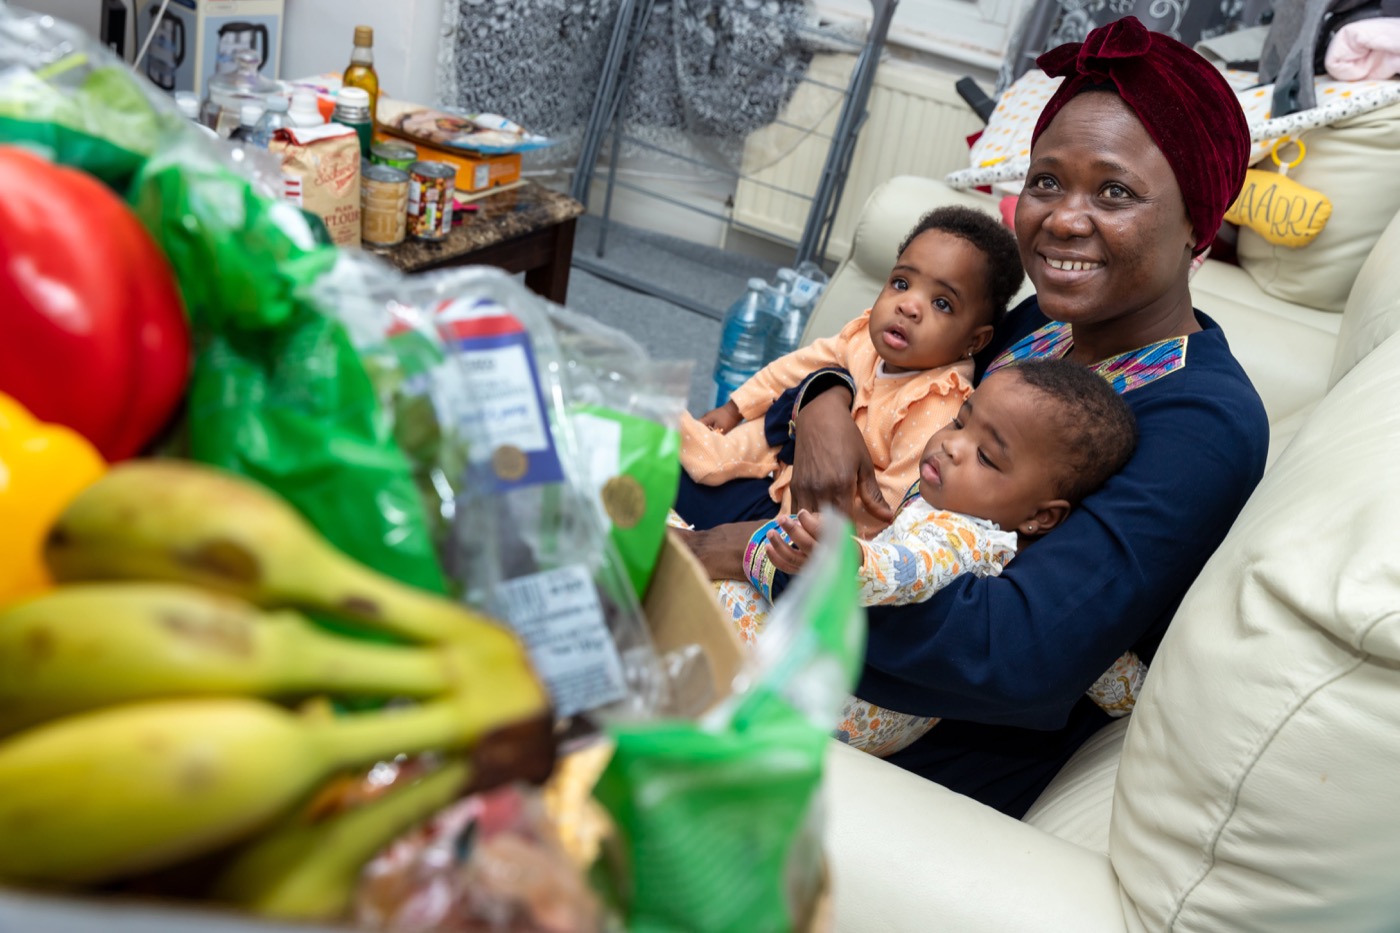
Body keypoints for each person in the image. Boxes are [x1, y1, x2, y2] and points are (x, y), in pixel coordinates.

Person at [682, 15, 1268, 817]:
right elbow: (871, 373)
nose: (1062, 218)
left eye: (1116, 191)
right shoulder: (1044, 325)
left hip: (923, 730)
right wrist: (826, 403)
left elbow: (1014, 655)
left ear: (1199, 224)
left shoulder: (1203, 424)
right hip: (847, 572)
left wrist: (757, 557)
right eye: (1046, 181)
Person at [726, 359, 1144, 757]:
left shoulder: (961, 534)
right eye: (960, 421)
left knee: (703, 577)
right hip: (877, 714)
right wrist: (1134, 697)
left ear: (1041, 516)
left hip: (842, 698)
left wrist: (850, 558)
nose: (950, 445)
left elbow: (911, 568)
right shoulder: (1007, 544)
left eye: (986, 457)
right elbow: (1092, 655)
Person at [675, 206, 1023, 539]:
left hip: (819, 520)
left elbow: (892, 501)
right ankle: (683, 447)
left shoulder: (938, 401)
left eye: (942, 304)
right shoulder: (863, 338)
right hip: (782, 459)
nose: (909, 306)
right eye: (902, 283)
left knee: (715, 509)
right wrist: (733, 408)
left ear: (975, 341)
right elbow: (790, 368)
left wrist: (826, 536)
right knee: (698, 445)